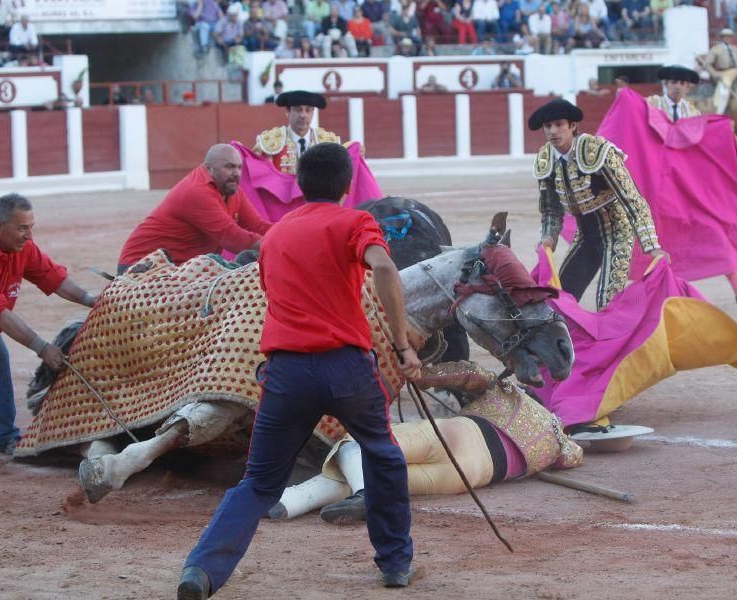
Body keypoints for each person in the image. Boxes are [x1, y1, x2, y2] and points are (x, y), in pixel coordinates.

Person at [176, 143, 423, 599]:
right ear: (348, 185)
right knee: (383, 455)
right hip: (347, 367)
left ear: (299, 186)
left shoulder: (276, 235)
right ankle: (394, 564)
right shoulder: (356, 221)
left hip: (286, 372)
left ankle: (202, 570)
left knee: (259, 481)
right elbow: (384, 265)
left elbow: (272, 290)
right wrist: (403, 344)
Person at [270, 360, 583, 523]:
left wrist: (420, 374)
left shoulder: (510, 394)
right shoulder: (559, 442)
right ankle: (287, 503)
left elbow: (469, 374)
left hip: (460, 436)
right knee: (379, 474)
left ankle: (339, 498)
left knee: (360, 443)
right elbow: (573, 457)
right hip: (472, 476)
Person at [0, 194, 99, 454]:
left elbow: (52, 276)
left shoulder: (19, 246)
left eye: (30, 227)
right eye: (22, 228)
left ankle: (2, 437)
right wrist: (42, 347)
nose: (29, 236)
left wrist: (91, 300)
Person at [645, 65, 737, 306]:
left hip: (687, 187)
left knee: (713, 229)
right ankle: (659, 296)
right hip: (658, 186)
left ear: (688, 87)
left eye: (682, 82)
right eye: (673, 81)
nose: (677, 85)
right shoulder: (650, 105)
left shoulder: (692, 113)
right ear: (666, 84)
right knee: (661, 239)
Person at [531, 98, 668, 310]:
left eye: (559, 124)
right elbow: (551, 210)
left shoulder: (598, 152)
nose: (553, 131)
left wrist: (652, 246)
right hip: (586, 236)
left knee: (607, 305)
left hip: (617, 233)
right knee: (560, 303)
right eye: (548, 126)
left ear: (573, 126)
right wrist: (548, 236)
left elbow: (633, 200)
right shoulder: (545, 159)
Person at [117, 144, 271, 272]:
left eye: (239, 168)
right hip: (142, 267)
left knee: (246, 262)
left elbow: (257, 226)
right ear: (208, 169)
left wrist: (286, 232)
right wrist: (279, 243)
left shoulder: (233, 191)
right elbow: (232, 237)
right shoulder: (197, 191)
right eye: (229, 167)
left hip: (182, 270)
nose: (236, 173)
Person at [252, 90, 345, 175]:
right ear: (288, 111)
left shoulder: (328, 143)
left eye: (308, 110)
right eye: (298, 110)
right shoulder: (269, 142)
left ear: (313, 112)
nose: (303, 115)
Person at [703, 28, 737, 114]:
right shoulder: (716, 49)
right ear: (721, 38)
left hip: (735, 72)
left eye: (729, 37)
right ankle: (719, 111)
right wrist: (714, 73)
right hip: (722, 73)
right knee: (724, 87)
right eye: (725, 37)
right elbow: (707, 64)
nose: (727, 39)